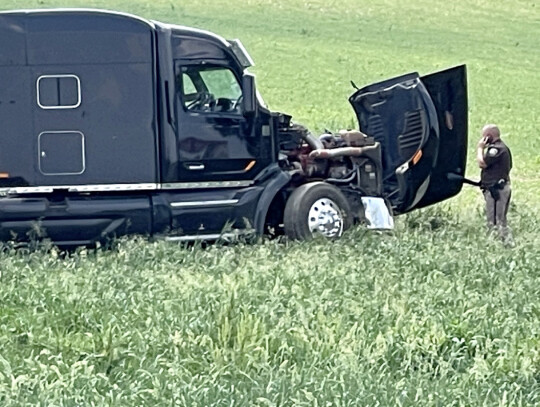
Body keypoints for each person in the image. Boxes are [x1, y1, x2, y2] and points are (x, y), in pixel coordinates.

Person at [476, 124, 513, 243]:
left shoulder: (496, 149)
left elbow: (482, 164)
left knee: (495, 220)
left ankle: (499, 243)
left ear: (488, 136)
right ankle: (501, 242)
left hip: (497, 190)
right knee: (498, 219)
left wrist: (480, 148)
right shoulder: (502, 148)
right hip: (497, 187)